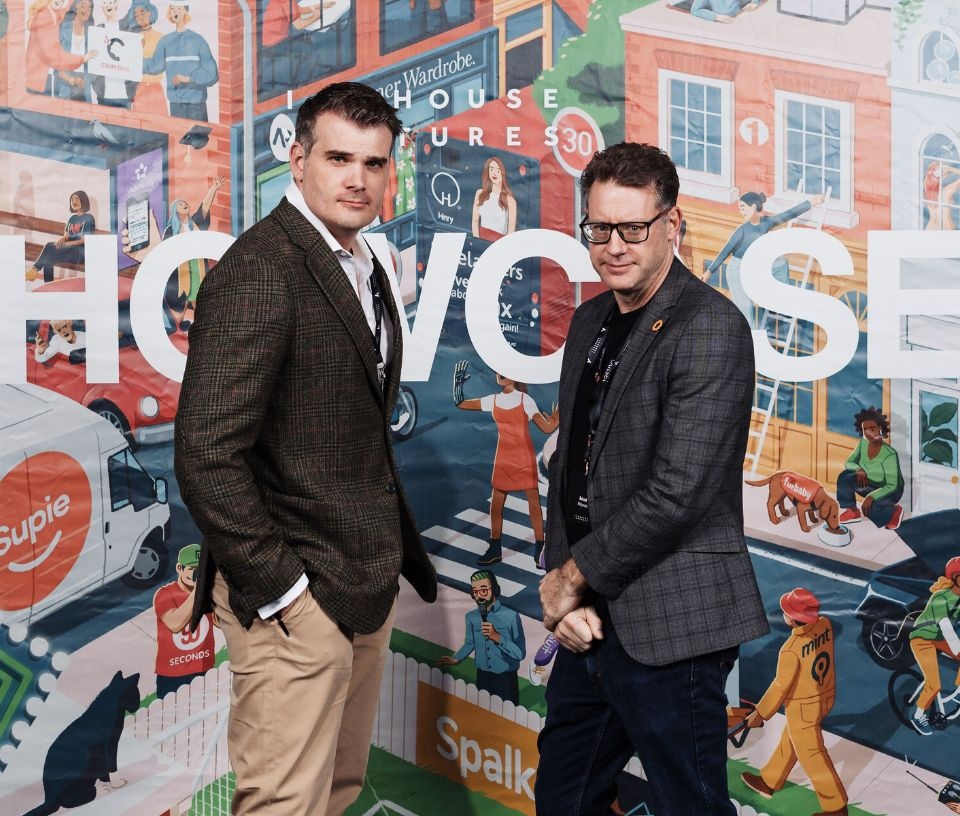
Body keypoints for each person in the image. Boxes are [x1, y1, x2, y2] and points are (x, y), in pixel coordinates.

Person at [174, 81, 437, 816]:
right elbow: (205, 453)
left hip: (360, 579)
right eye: (338, 158)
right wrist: (285, 592)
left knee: (336, 793)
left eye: (374, 163)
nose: (358, 179)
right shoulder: (262, 271)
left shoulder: (362, 258)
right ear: (297, 160)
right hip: (295, 599)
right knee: (285, 805)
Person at [535, 142, 768, 816]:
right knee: (564, 801)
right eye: (599, 228)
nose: (614, 246)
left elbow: (678, 493)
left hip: (674, 621)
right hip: (588, 619)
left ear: (672, 225)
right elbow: (571, 466)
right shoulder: (590, 320)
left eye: (633, 228)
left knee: (688, 806)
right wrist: (568, 596)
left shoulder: (710, 327)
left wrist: (570, 577)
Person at [741, 588, 848, 816]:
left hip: (803, 707)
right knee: (791, 739)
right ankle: (769, 781)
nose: (783, 614)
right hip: (825, 696)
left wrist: (760, 713)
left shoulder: (790, 649)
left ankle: (836, 807)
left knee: (812, 755)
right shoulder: (825, 625)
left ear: (792, 618)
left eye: (786, 611)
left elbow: (781, 686)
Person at [453, 362, 559, 567]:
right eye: (499, 371)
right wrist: (458, 385)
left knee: (533, 503)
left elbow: (547, 428)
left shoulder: (525, 400)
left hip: (522, 457)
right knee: (496, 504)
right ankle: (495, 549)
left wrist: (559, 413)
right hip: (503, 458)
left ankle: (540, 550)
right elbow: (461, 403)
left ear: (515, 375)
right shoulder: (493, 400)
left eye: (506, 370)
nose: (501, 374)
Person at [704, 190, 824, 328]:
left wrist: (812, 202)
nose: (741, 212)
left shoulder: (766, 223)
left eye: (743, 208)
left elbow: (788, 214)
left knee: (781, 263)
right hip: (737, 270)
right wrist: (709, 271)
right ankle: (750, 336)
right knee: (746, 311)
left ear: (753, 207)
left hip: (754, 264)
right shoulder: (741, 230)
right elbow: (725, 251)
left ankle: (780, 301)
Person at [437, 570, 525, 704]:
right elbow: (470, 643)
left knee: (507, 714)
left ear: (494, 589)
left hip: (505, 678)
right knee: (482, 711)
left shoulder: (511, 616)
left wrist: (497, 637)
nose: (479, 596)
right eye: (475, 592)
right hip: (482, 676)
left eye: (483, 591)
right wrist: (456, 658)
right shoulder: (471, 617)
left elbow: (520, 653)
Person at [152, 543, 216, 699]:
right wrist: (198, 591)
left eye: (200, 570)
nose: (196, 574)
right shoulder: (165, 594)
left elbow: (220, 622)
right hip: (172, 675)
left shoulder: (210, 590)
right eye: (192, 569)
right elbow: (174, 625)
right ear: (179, 568)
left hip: (203, 667)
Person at [162, 175, 226, 328]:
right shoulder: (171, 230)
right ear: (175, 211)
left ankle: (202, 329)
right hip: (180, 272)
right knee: (180, 306)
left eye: (185, 203)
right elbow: (166, 251)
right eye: (180, 204)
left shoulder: (195, 223)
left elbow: (205, 206)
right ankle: (176, 329)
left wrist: (214, 188)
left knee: (199, 301)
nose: (184, 204)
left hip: (198, 268)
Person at [908, 556, 960, 737]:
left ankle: (959, 692)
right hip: (922, 638)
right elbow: (945, 626)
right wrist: (957, 649)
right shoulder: (941, 597)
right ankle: (918, 715)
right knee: (934, 684)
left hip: (937, 638)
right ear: (955, 578)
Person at [142, 3, 218, 121]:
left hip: (196, 105)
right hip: (175, 104)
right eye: (172, 9)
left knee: (198, 133)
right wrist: (131, 60)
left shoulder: (198, 40)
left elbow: (212, 74)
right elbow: (154, 66)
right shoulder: (165, 42)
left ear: (185, 11)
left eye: (179, 9)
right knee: (177, 133)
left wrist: (189, 78)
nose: (175, 12)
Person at [836, 406, 905, 530]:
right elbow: (849, 462)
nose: (868, 433)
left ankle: (893, 512)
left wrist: (871, 497)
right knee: (844, 477)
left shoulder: (889, 454)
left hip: (891, 490)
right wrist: (858, 469)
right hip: (869, 483)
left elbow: (892, 485)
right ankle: (852, 511)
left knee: (869, 508)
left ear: (880, 429)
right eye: (865, 429)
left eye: (872, 429)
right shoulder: (863, 443)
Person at [26, 0, 96, 96]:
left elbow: (65, 10)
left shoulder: (54, 14)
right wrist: (82, 58)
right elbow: (54, 56)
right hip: (37, 81)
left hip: (43, 79)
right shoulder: (44, 17)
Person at [26, 190, 96, 283]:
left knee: (49, 246)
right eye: (72, 200)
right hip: (68, 250)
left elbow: (83, 240)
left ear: (83, 200)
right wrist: (62, 239)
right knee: (48, 258)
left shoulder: (89, 218)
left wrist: (65, 244)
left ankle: (34, 270)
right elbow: (66, 236)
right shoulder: (72, 218)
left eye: (76, 199)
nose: (74, 202)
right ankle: (48, 285)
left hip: (80, 253)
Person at [471, 156, 517, 242]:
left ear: (502, 173)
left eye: (498, 170)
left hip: (499, 243)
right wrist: (477, 241)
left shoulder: (510, 201)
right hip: (480, 240)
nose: (494, 173)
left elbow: (511, 232)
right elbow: (475, 221)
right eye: (491, 169)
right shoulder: (480, 193)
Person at [690, 0, 758, 22]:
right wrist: (716, 17)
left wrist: (755, 2)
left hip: (741, 18)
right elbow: (695, 10)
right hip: (719, 25)